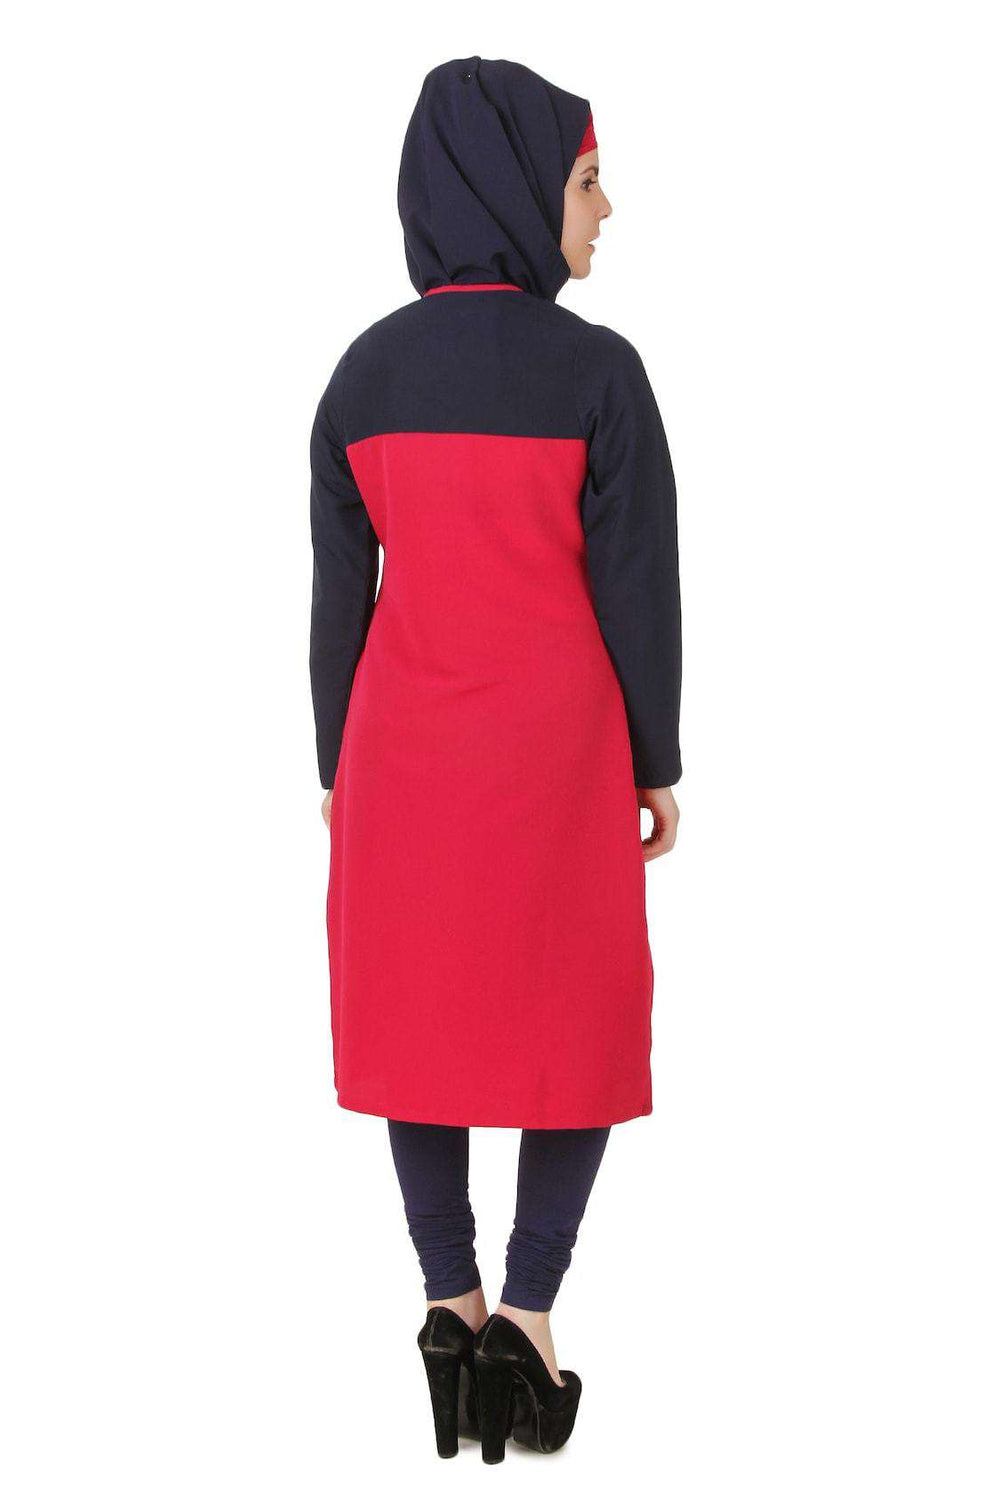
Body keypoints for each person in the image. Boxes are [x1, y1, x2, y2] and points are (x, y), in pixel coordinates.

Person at [309, 56, 682, 1463]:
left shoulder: (362, 376)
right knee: (571, 1018)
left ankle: (445, 1303)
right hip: (559, 757)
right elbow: (639, 587)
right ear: (521, 188)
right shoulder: (599, 375)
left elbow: (338, 601)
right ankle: (526, 1318)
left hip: (400, 754)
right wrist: (655, 757)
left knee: (419, 1015)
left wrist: (336, 765)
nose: (607, 209)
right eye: (587, 180)